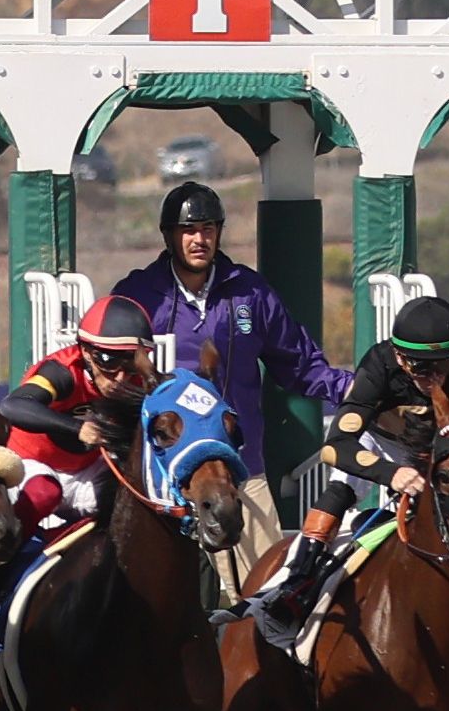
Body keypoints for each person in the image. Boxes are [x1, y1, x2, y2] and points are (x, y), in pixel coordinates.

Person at [102, 181, 350, 576]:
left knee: (270, 591)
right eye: (188, 230)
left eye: (208, 229)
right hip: (161, 481)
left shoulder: (251, 292)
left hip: (241, 472)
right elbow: (104, 367)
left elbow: (301, 366)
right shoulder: (137, 294)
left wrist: (357, 390)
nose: (199, 240)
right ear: (169, 236)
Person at [246, 293, 449, 637]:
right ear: (399, 357)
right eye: (421, 367)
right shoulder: (378, 365)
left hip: (435, 448)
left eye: (444, 366)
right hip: (378, 441)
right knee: (340, 490)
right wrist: (391, 473)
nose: (434, 379)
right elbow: (336, 447)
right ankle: (298, 580)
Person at [0, 294, 155, 633]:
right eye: (107, 361)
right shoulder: (62, 370)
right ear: (86, 351)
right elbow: (14, 405)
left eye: (129, 363)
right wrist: (76, 428)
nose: (119, 377)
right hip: (35, 462)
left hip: (88, 469)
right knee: (46, 492)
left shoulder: (138, 380)